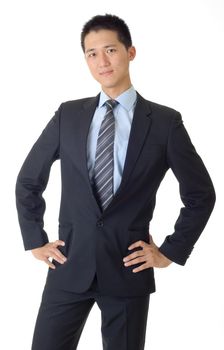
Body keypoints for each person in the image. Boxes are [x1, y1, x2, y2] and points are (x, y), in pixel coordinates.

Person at [15, 13, 215, 350]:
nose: (102, 61)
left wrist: (169, 252)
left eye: (110, 50)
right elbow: (28, 180)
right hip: (69, 265)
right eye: (92, 53)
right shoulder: (68, 115)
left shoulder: (165, 123)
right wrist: (35, 239)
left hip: (127, 270)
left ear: (130, 52)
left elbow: (200, 194)